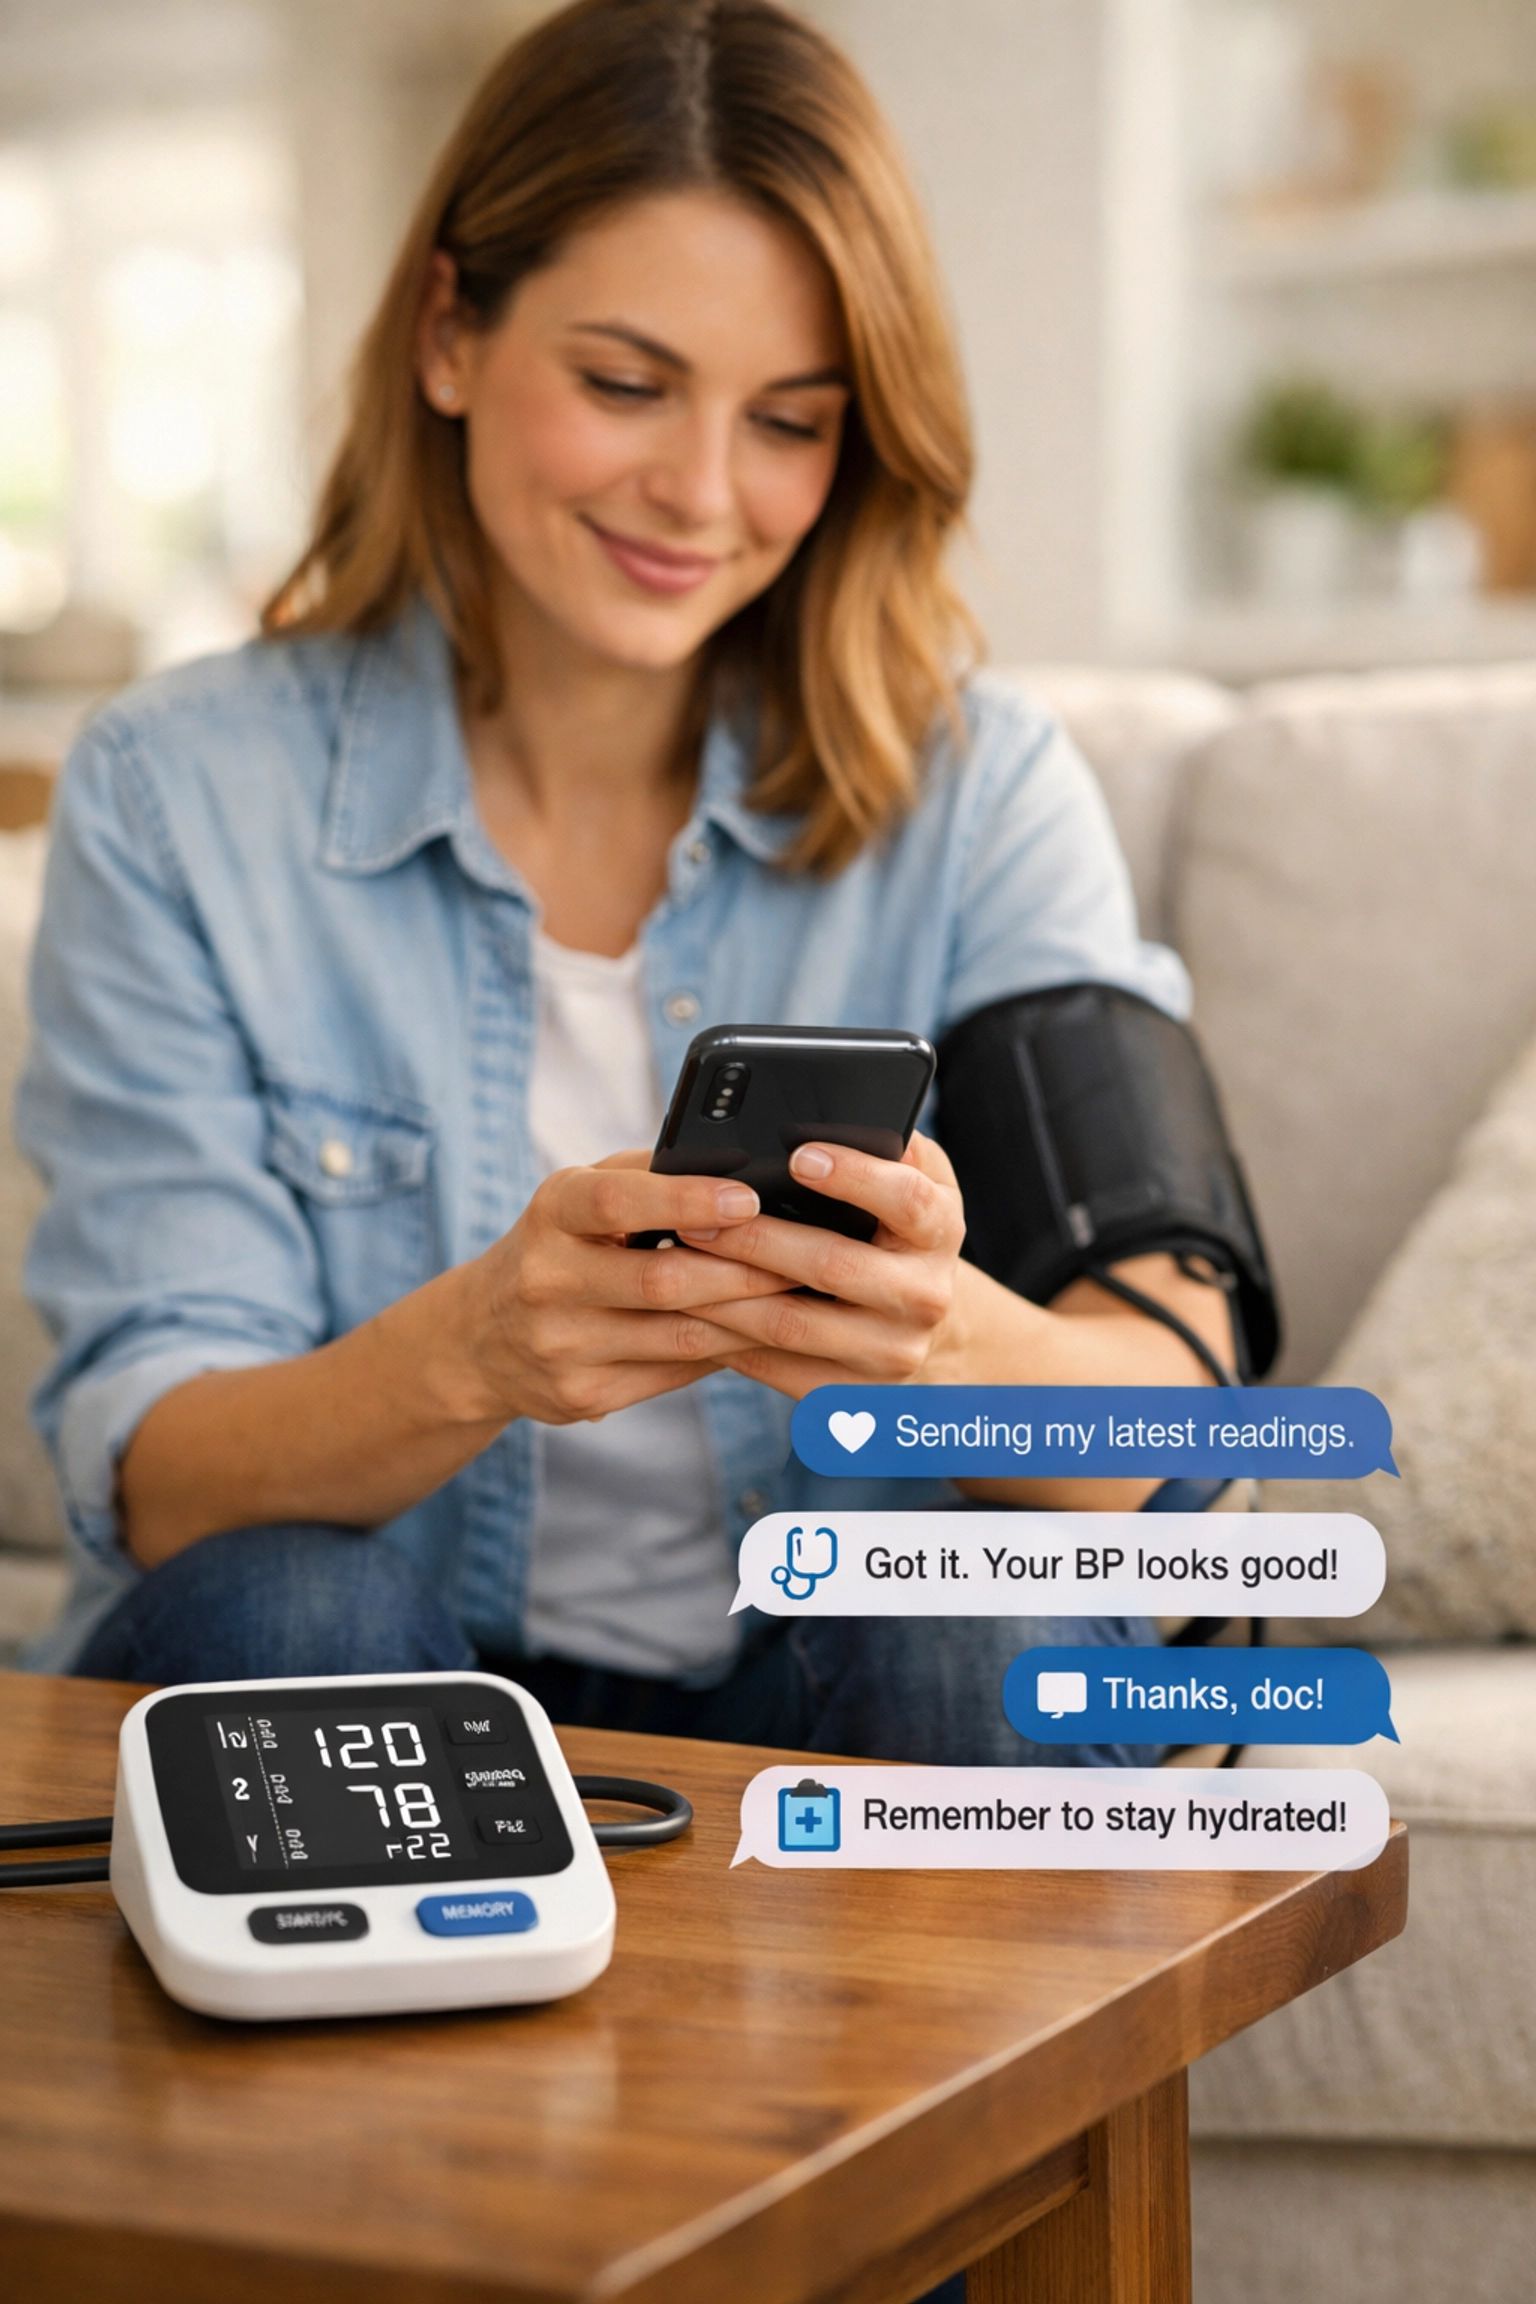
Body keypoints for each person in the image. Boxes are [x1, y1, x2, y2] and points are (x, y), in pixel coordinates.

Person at [18, 0, 1233, 1769]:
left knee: (958, 1589)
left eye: (790, 421)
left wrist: (937, 1338)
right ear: (449, 332)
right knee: (287, 1609)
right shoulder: (174, 795)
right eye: (625, 382)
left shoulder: (975, 791)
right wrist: (476, 1352)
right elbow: (161, 1474)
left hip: (826, 1675)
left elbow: (1181, 1422)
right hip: (379, 1646)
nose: (700, 492)